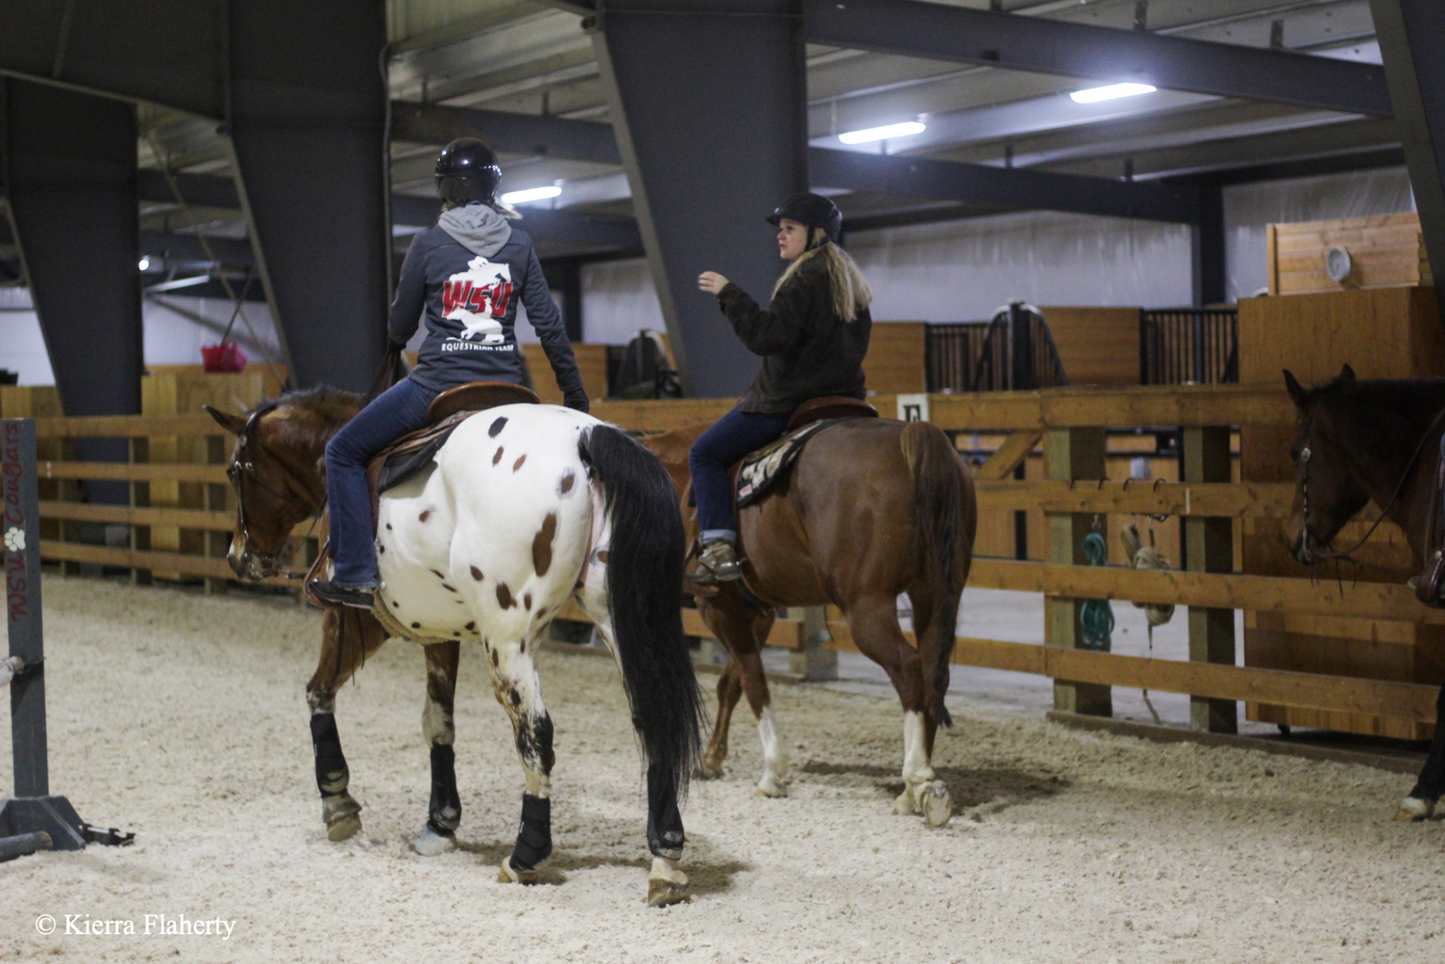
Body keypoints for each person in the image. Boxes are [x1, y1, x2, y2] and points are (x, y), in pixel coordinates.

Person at [310, 138, 589, 609]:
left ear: (445, 189)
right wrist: (574, 394)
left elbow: (401, 323)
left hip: (437, 385)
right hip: (507, 389)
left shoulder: (428, 243)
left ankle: (356, 574)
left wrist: (396, 338)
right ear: (491, 187)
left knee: (342, 451)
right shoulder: (519, 244)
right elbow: (548, 325)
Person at [689, 192, 874, 585]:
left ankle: (718, 547)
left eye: (790, 228)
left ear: (816, 233)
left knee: (704, 454)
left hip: (786, 402)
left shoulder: (803, 281)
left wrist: (729, 294)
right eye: (781, 230)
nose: (781, 236)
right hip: (845, 402)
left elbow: (767, 337)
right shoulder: (851, 286)